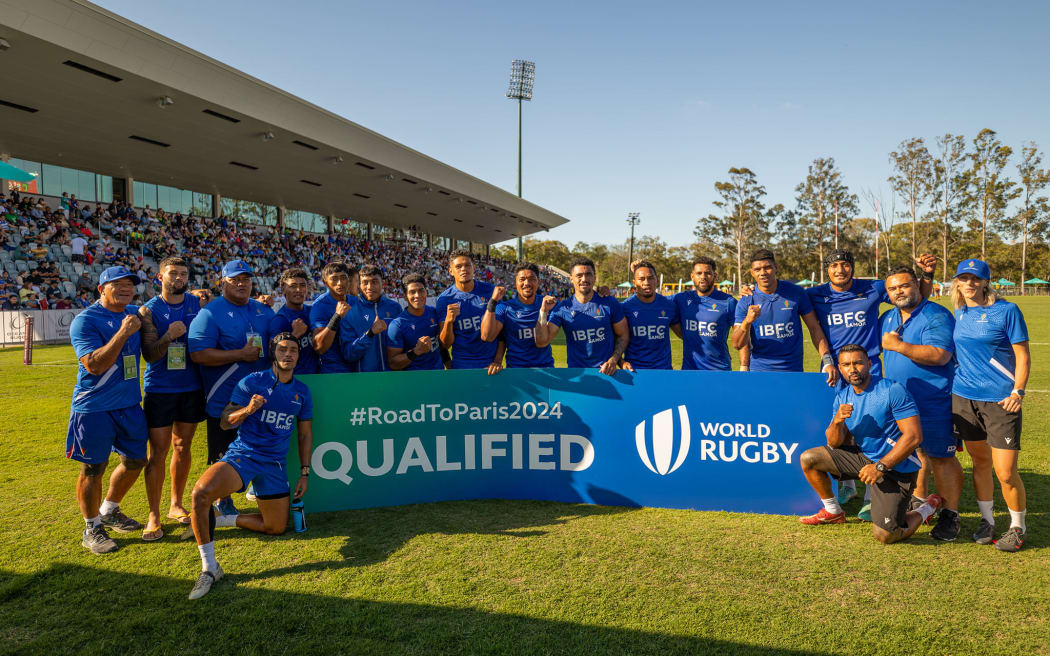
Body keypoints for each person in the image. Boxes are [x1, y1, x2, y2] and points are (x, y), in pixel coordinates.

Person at [804, 250, 935, 511]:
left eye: (845, 265)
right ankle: (848, 484)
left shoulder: (872, 288)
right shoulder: (814, 294)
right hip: (835, 369)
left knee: (874, 424)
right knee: (842, 422)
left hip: (869, 368)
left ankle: (870, 490)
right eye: (834, 266)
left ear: (852, 267)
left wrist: (927, 274)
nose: (840, 270)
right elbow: (809, 322)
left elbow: (916, 295)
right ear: (826, 270)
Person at [187, 332, 314, 599]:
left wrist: (304, 473)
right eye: (282, 349)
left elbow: (304, 434)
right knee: (201, 494)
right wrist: (248, 410)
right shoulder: (252, 382)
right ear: (273, 353)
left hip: (275, 464)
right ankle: (210, 567)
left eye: (293, 349)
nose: (288, 354)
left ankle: (225, 519)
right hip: (244, 455)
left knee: (276, 528)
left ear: (298, 356)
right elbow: (224, 422)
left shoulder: (302, 391)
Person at [798, 344, 942, 544]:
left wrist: (880, 467)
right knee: (809, 458)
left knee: (886, 535)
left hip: (895, 468)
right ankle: (833, 510)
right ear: (840, 368)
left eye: (858, 363)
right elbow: (833, 442)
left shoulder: (892, 390)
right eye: (847, 365)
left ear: (869, 364)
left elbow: (914, 437)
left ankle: (925, 508)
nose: (853, 369)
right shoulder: (843, 396)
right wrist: (837, 421)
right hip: (865, 458)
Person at [950, 259, 1031, 551]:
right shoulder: (959, 312)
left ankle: (1017, 526)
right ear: (957, 282)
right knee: (980, 462)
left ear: (986, 282)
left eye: (976, 279)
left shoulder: (1007, 310)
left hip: (1000, 401)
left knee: (1006, 471)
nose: (969, 284)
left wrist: (1018, 391)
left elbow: (1022, 355)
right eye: (964, 278)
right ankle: (987, 521)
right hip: (963, 398)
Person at [66, 265, 148, 553]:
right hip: (94, 407)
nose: (126, 289)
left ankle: (109, 509)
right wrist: (124, 333)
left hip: (129, 405)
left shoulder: (136, 312)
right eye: (118, 285)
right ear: (101, 289)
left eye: (130, 284)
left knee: (137, 460)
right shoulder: (85, 320)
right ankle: (91, 527)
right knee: (93, 468)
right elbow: (95, 364)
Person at [879, 266, 963, 541]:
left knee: (941, 457)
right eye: (892, 289)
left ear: (917, 284)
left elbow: (939, 355)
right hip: (899, 403)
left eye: (904, 285)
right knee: (915, 452)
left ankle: (950, 515)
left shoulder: (936, 314)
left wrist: (898, 346)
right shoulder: (888, 317)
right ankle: (920, 501)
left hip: (934, 399)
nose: (899, 292)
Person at [188, 259, 275, 516]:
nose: (241, 284)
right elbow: (198, 354)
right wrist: (239, 354)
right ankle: (222, 500)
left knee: (261, 443)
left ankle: (260, 489)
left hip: (260, 396)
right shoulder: (210, 313)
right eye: (235, 279)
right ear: (222, 282)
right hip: (224, 397)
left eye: (246, 279)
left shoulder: (262, 311)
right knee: (224, 451)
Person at [137, 257, 205, 540]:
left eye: (183, 274)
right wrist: (168, 336)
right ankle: (153, 516)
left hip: (191, 387)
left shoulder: (196, 304)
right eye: (173, 273)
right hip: (161, 389)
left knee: (182, 446)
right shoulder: (148, 310)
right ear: (159, 276)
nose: (178, 278)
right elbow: (150, 354)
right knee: (158, 452)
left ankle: (175, 504)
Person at [732, 249, 837, 385]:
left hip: (793, 372)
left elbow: (814, 328)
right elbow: (737, 343)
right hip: (760, 373)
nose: (763, 273)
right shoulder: (746, 300)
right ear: (752, 273)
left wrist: (827, 361)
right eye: (757, 269)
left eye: (767, 267)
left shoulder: (796, 292)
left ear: (776, 267)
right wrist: (747, 321)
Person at [534, 257, 629, 375]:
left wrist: (614, 360)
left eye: (588, 274)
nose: (584, 279)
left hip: (607, 373)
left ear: (594, 277)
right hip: (578, 375)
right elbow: (541, 342)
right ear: (571, 279)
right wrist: (543, 312)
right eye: (579, 275)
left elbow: (623, 335)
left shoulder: (610, 303)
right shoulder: (563, 308)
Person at [480, 261, 554, 369]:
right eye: (522, 279)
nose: (527, 283)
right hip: (516, 371)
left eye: (532, 279)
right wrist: (493, 301)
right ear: (515, 282)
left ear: (538, 282)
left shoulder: (548, 304)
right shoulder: (505, 308)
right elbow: (486, 336)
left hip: (545, 368)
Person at [674, 257, 742, 371]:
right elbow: (654, 301)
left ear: (714, 276)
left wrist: (744, 365)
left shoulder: (728, 302)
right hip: (690, 370)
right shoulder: (681, 299)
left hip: (720, 370)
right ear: (692, 276)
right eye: (699, 273)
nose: (703, 277)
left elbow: (742, 338)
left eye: (707, 273)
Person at [436, 250, 501, 370]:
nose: (463, 269)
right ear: (451, 271)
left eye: (467, 265)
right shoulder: (444, 300)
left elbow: (503, 332)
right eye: (458, 266)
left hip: (490, 365)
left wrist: (497, 361)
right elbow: (445, 344)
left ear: (474, 267)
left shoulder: (491, 291)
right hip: (461, 365)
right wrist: (449, 321)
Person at [339, 264, 402, 372]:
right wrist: (370, 333)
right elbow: (349, 354)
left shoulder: (395, 308)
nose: (369, 287)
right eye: (365, 282)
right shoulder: (351, 312)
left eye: (374, 282)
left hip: (393, 378)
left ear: (383, 283)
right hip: (365, 380)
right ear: (359, 284)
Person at [621, 260, 681, 370]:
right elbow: (614, 340)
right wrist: (621, 362)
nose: (646, 282)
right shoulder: (624, 307)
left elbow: (683, 335)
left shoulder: (669, 305)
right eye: (641, 279)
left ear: (657, 280)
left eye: (650, 278)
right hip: (634, 371)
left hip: (663, 370)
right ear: (634, 283)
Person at [387, 273, 442, 371]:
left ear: (426, 292)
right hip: (414, 380)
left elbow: (441, 345)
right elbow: (393, 364)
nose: (417, 295)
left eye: (421, 291)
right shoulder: (397, 325)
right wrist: (416, 352)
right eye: (412, 292)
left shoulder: (434, 313)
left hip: (439, 376)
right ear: (405, 296)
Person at [268, 268, 318, 375]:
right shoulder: (280, 320)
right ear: (283, 289)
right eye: (293, 286)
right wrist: (294, 335)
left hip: (317, 376)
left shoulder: (312, 311)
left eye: (302, 285)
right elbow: (272, 355)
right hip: (295, 379)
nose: (298, 290)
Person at [309, 261, 357, 374]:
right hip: (334, 371)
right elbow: (319, 347)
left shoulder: (355, 301)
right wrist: (337, 317)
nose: (340, 283)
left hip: (357, 368)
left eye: (343, 278)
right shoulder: (320, 306)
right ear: (326, 282)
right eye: (334, 279)